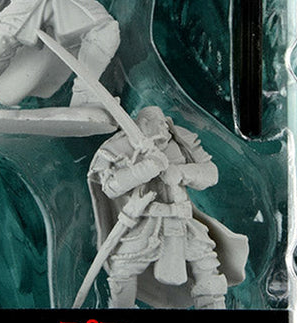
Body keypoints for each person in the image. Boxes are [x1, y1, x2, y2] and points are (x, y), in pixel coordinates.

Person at [86, 106, 249, 309]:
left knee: (206, 265)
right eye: (158, 122)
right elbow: (110, 187)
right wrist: (147, 167)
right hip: (144, 223)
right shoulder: (119, 146)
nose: (164, 127)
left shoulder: (180, 139)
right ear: (143, 123)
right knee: (122, 268)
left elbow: (211, 173)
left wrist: (181, 172)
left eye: (164, 122)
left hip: (182, 220)